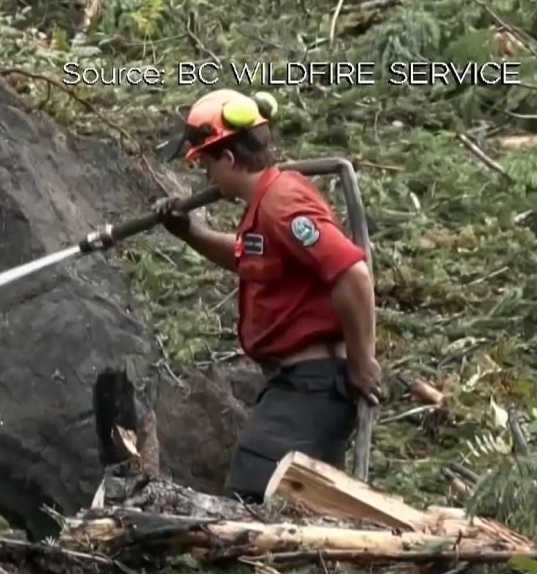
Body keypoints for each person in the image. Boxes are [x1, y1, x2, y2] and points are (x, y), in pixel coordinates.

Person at [158, 89, 382, 502]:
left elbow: (353, 273)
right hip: (294, 385)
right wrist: (190, 232)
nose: (206, 177)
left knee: (252, 494)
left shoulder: (283, 206)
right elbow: (249, 258)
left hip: (312, 389)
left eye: (206, 164)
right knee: (293, 504)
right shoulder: (268, 203)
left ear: (227, 159)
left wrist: (362, 360)